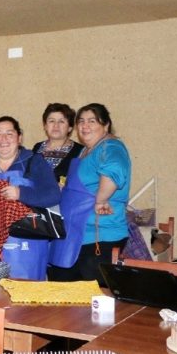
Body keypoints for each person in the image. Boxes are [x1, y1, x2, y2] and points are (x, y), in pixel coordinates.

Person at [0, 116, 60, 280]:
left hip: (28, 243)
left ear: (19, 137)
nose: (3, 139)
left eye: (9, 134)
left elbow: (53, 195)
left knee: (27, 291)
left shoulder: (33, 161)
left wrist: (21, 194)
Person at [49, 103, 131, 284]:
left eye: (92, 121)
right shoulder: (85, 151)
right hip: (75, 236)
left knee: (93, 296)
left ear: (106, 125)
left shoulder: (111, 147)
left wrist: (101, 200)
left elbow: (114, 172)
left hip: (99, 238)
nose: (85, 126)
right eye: (81, 121)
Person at [32, 103, 84, 187]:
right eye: (51, 121)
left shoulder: (80, 151)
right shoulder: (37, 147)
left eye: (61, 121)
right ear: (45, 126)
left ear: (70, 128)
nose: (56, 125)